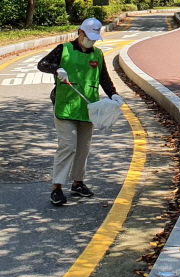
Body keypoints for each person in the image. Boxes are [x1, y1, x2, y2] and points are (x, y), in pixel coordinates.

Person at [38, 18, 123, 206]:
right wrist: (57, 68)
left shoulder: (98, 55)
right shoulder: (64, 50)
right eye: (88, 36)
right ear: (80, 32)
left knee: (83, 148)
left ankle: (78, 183)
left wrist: (113, 94)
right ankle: (57, 187)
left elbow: (104, 79)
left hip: (88, 108)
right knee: (68, 146)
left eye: (94, 38)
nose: (90, 41)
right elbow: (42, 64)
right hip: (66, 107)